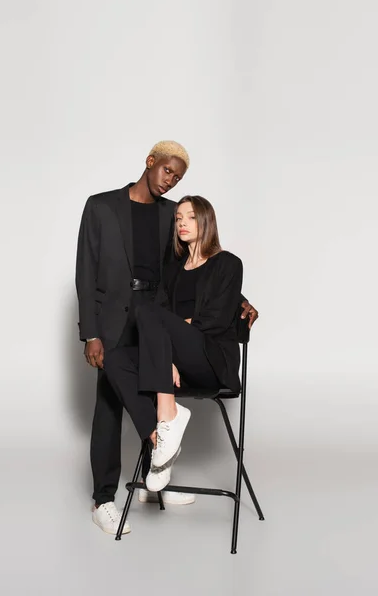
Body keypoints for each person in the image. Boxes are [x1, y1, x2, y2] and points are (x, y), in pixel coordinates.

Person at [75, 141, 259, 535]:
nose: (170, 181)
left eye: (178, 178)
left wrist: (239, 302)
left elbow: (194, 268)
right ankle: (103, 499)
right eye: (167, 172)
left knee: (148, 388)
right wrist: (90, 332)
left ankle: (156, 477)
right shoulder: (101, 206)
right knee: (109, 402)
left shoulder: (170, 216)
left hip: (157, 313)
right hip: (112, 317)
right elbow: (85, 271)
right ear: (151, 162)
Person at [104, 195, 244, 495]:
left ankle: (169, 414)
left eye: (190, 217)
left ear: (206, 221)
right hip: (174, 366)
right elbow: (162, 324)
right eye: (178, 217)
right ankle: (159, 441)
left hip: (211, 364)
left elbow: (215, 321)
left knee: (149, 311)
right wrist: (165, 356)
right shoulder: (173, 270)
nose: (182, 222)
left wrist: (168, 341)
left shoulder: (228, 264)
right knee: (115, 359)